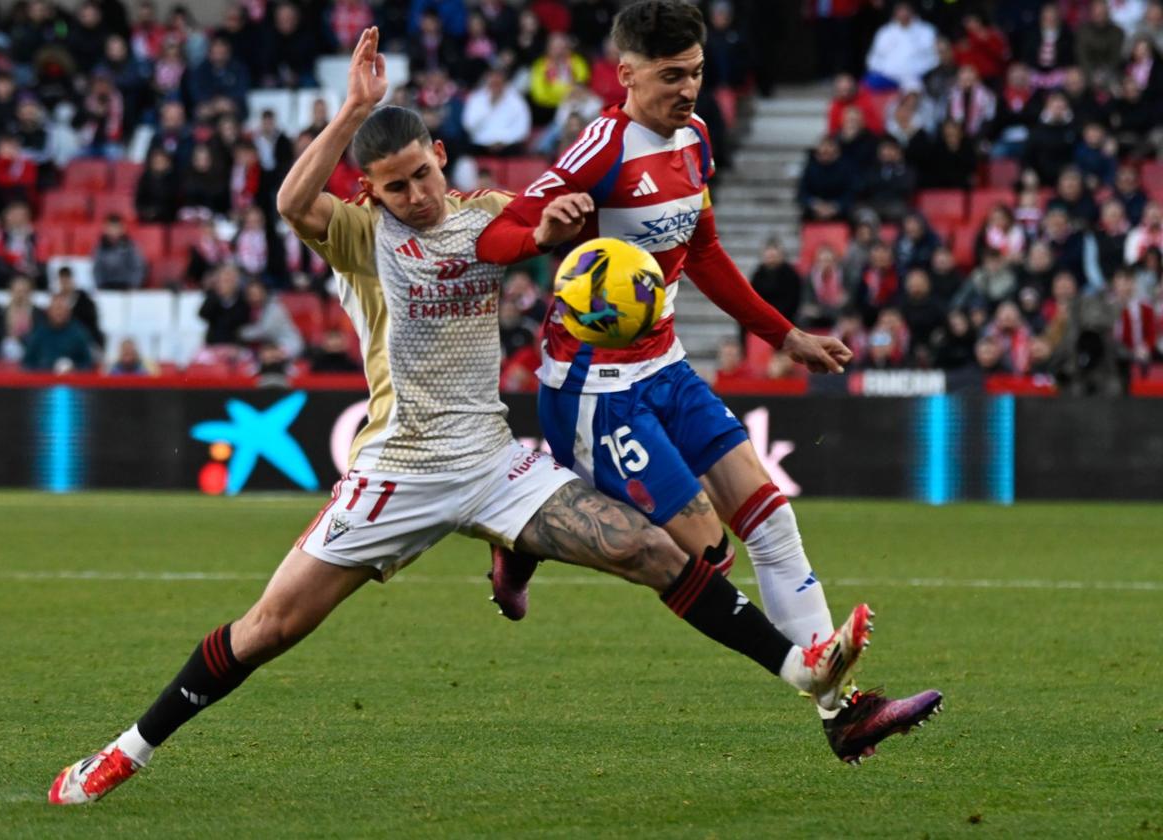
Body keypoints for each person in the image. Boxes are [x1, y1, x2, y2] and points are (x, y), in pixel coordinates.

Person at [48, 28, 887, 806]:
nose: (414, 195)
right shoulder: (360, 238)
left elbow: (519, 230)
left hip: (490, 460)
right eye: (394, 186)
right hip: (397, 468)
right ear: (369, 192)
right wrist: (352, 112)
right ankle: (128, 747)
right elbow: (291, 203)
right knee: (269, 629)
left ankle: (804, 667)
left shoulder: (482, 210)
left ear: (440, 158)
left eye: (422, 174)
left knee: (653, 550)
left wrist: (551, 228)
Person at [475, 1, 941, 762]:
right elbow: (497, 235)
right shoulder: (601, 147)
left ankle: (844, 712)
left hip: (665, 367)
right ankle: (523, 536)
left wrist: (784, 335)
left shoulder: (694, 140)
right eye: (669, 76)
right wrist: (540, 233)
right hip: (593, 388)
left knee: (772, 518)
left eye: (695, 71)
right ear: (626, 74)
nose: (688, 89)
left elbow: (709, 251)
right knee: (702, 550)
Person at [22, 294, 95, 372]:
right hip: (44, 380)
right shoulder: (39, 332)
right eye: (56, 309)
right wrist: (44, 368)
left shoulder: (79, 333)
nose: (59, 313)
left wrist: (74, 368)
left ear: (69, 312)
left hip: (72, 380)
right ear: (49, 311)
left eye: (62, 309)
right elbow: (27, 363)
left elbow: (88, 363)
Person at [92, 214, 147, 290]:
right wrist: (100, 286)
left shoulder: (131, 247)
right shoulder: (99, 248)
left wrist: (134, 285)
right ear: (105, 228)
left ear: (123, 229)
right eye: (111, 227)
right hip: (106, 287)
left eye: (116, 227)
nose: (113, 231)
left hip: (127, 287)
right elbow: (97, 269)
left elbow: (138, 267)